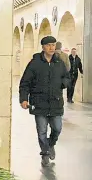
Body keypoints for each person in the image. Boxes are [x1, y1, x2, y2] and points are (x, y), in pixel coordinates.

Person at [19, 36, 70, 166]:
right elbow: (25, 82)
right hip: (39, 103)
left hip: (56, 103)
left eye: (53, 45)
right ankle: (45, 152)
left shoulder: (59, 63)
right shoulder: (34, 63)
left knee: (57, 128)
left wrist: (62, 84)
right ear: (43, 47)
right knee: (41, 131)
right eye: (49, 45)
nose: (52, 48)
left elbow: (67, 77)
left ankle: (51, 144)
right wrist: (24, 99)